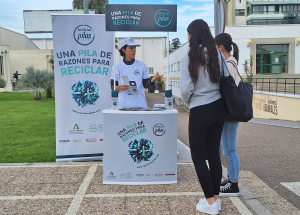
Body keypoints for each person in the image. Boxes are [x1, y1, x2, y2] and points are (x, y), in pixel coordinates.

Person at [180, 19, 227, 214]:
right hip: (218, 107)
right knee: (213, 153)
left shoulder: (190, 55)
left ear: (193, 34)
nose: (188, 37)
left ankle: (209, 203)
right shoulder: (217, 54)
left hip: (200, 108)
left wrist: (189, 102)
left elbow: (185, 88)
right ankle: (215, 197)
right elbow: (224, 77)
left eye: (188, 33)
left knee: (198, 157)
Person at [215, 33, 241, 197]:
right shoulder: (231, 62)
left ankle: (234, 185)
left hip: (230, 112)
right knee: (227, 147)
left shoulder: (229, 64)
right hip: (231, 112)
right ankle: (231, 178)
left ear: (220, 47)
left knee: (230, 148)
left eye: (215, 47)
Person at [111, 38, 162, 108]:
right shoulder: (117, 66)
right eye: (131, 48)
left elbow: (146, 84)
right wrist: (120, 87)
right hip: (123, 106)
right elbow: (112, 86)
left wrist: (152, 80)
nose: (134, 50)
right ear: (123, 50)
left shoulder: (141, 65)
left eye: (134, 48)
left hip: (140, 105)